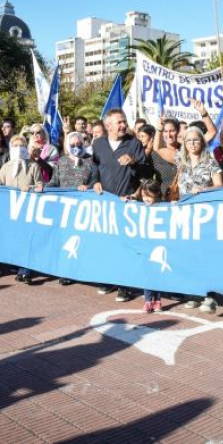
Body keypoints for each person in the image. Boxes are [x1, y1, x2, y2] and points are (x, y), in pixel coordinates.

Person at [90, 108, 146, 301]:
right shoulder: (98, 144)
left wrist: (134, 162)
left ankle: (125, 285)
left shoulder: (134, 144)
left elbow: (146, 172)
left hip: (127, 202)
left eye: (124, 121)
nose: (123, 125)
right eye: (119, 122)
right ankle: (108, 279)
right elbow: (94, 166)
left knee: (125, 245)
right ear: (108, 126)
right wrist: (95, 182)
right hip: (105, 203)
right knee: (106, 243)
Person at [176, 125, 223, 312]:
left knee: (207, 257)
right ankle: (192, 294)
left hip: (206, 216)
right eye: (188, 140)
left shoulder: (210, 162)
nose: (192, 143)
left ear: (202, 142)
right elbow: (156, 150)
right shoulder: (181, 160)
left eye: (196, 140)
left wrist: (203, 190)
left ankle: (210, 296)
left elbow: (220, 185)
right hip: (185, 216)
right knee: (189, 257)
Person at [0, 135, 44, 284]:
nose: (18, 148)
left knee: (27, 239)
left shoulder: (33, 166)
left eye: (21, 145)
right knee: (16, 239)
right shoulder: (6, 167)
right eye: (15, 146)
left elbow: (40, 185)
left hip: (28, 209)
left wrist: (31, 188)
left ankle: (26, 271)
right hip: (11, 210)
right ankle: (19, 268)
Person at [50, 127, 94, 286]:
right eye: (73, 144)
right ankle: (66, 272)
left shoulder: (90, 160)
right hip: (65, 210)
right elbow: (54, 183)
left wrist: (88, 187)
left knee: (81, 242)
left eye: (79, 143)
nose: (76, 146)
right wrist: (42, 187)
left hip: (83, 210)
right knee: (66, 242)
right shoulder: (61, 162)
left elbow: (96, 182)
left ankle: (81, 271)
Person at [125, 180, 165, 313]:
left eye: (149, 195)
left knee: (158, 274)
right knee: (147, 273)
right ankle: (148, 301)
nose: (146, 199)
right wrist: (127, 199)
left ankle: (158, 300)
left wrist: (174, 204)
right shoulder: (140, 206)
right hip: (145, 245)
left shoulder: (164, 206)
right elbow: (129, 202)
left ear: (157, 194)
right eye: (143, 196)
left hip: (159, 245)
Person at [152, 117, 182, 199]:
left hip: (183, 197)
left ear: (178, 131)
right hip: (162, 199)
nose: (168, 135)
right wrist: (158, 129)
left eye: (172, 131)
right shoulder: (155, 154)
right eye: (165, 131)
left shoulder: (186, 150)